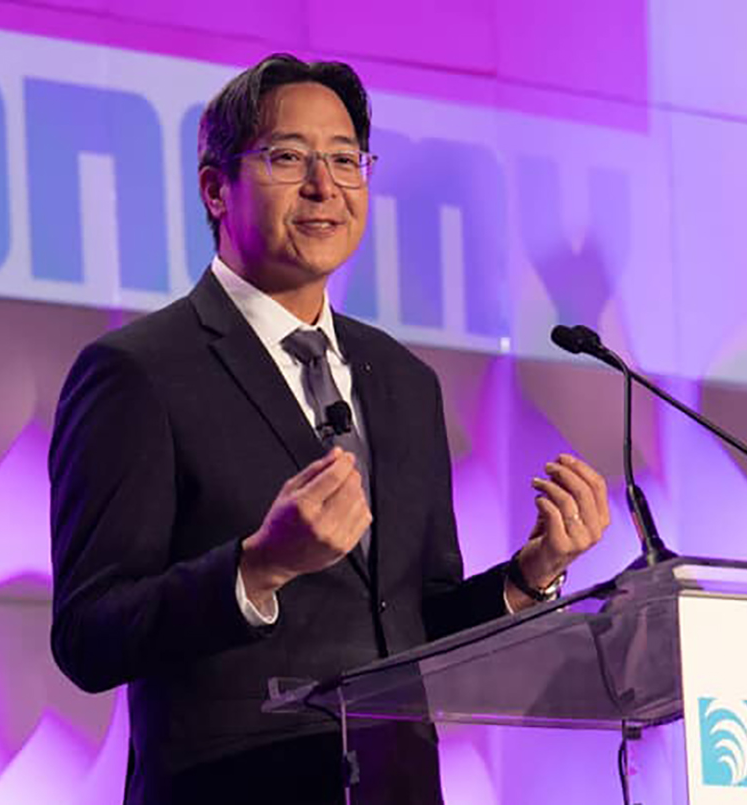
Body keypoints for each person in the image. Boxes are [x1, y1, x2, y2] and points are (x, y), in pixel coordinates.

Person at [49, 53, 610, 805]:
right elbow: (90, 632)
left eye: (346, 159)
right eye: (290, 157)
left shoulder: (404, 382)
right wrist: (257, 567)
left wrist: (528, 575)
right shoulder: (138, 371)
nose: (325, 186)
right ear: (217, 188)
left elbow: (413, 621)